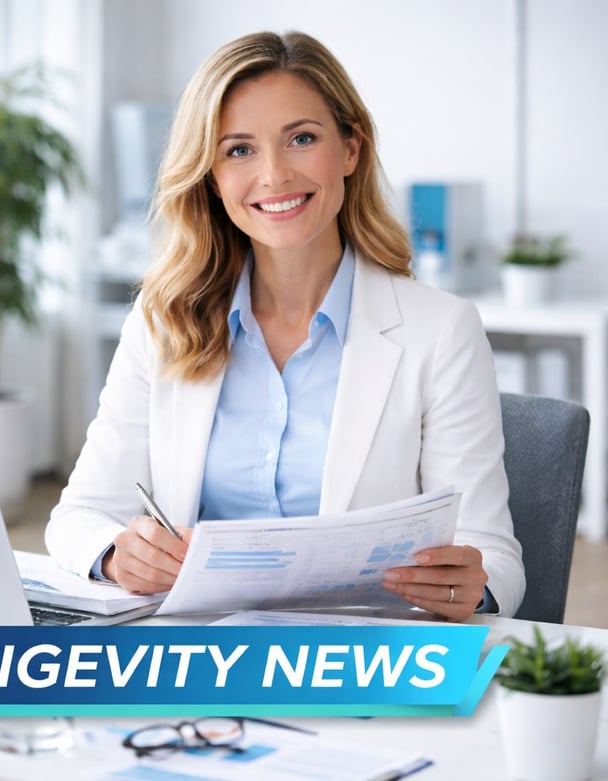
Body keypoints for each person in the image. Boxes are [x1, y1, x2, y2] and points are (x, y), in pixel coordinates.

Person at [46, 30, 525, 621]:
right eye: (239, 150)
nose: (273, 175)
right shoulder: (164, 321)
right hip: (197, 654)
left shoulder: (441, 330)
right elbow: (77, 518)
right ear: (210, 176)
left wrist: (468, 585)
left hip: (354, 661)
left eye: (301, 138)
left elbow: (494, 557)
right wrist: (117, 556)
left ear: (350, 149)